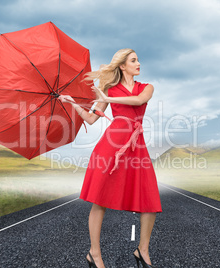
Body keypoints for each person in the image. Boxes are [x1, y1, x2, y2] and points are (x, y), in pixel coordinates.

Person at [60, 48, 162, 268]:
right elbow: (91, 119)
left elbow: (138, 100)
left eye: (138, 59)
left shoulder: (146, 87)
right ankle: (94, 254)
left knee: (150, 201)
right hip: (110, 146)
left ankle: (142, 250)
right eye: (134, 60)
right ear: (123, 66)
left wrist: (106, 96)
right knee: (100, 199)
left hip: (136, 147)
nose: (139, 63)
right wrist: (72, 103)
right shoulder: (109, 90)